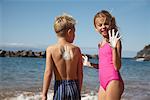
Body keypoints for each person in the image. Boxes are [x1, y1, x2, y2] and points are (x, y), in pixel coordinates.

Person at [42, 13, 83, 100]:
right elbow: (80, 73)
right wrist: (78, 90)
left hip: (59, 87)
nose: (75, 35)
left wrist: (44, 94)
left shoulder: (51, 49)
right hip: (74, 87)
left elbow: (48, 73)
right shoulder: (76, 50)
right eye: (74, 32)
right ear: (69, 32)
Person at [92, 10, 124, 100]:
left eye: (106, 24)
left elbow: (117, 66)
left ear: (111, 24)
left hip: (113, 80)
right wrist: (89, 64)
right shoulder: (100, 44)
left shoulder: (116, 41)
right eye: (100, 25)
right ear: (95, 28)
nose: (103, 27)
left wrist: (113, 48)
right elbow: (103, 65)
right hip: (102, 83)